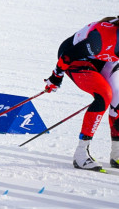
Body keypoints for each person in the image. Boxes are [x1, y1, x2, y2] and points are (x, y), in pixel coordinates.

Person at [43, 16, 119, 170]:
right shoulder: (102, 38)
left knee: (118, 97)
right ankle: (81, 155)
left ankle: (117, 154)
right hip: (75, 58)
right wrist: (56, 77)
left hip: (103, 60)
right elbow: (68, 56)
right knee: (104, 95)